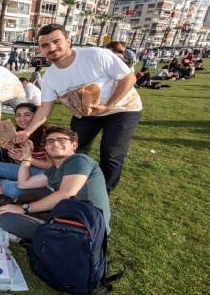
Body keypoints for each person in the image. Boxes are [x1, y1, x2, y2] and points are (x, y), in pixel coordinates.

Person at [16, 24, 141, 194]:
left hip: (122, 109)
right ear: (40, 49)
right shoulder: (50, 78)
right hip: (85, 113)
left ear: (69, 41)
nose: (51, 48)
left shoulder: (96, 55)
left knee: (111, 154)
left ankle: (102, 193)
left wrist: (108, 106)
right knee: (73, 150)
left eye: (56, 41)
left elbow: (129, 78)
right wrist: (27, 131)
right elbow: (45, 107)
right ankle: (73, 185)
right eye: (45, 45)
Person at [0, 127, 111, 241]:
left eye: (61, 140)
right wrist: (26, 157)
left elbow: (66, 194)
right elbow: (23, 184)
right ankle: (44, 226)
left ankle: (47, 232)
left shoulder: (79, 160)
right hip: (72, 215)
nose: (55, 144)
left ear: (74, 145)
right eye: (50, 141)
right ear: (46, 148)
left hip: (86, 230)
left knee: (2, 218)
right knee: (37, 189)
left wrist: (24, 209)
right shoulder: (54, 169)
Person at [0, 103, 51, 207]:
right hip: (27, 170)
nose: (22, 119)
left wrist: (27, 158)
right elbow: (20, 164)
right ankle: (1, 196)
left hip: (44, 175)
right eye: (18, 115)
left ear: (36, 117)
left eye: (27, 115)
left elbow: (50, 166)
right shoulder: (18, 134)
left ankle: (6, 184)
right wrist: (10, 150)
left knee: (11, 190)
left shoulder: (47, 136)